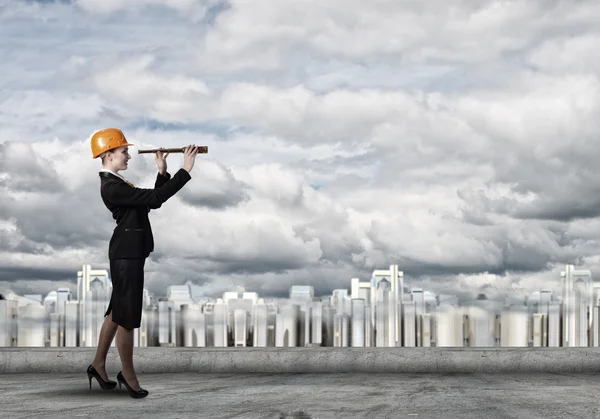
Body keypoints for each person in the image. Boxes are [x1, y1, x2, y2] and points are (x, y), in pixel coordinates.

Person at [86, 128, 200, 398]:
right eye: (123, 151)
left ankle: (98, 365)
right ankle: (128, 375)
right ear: (108, 154)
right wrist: (186, 170)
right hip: (127, 254)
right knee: (127, 318)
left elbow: (151, 203)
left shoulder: (119, 183)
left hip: (128, 252)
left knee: (117, 311)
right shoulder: (112, 186)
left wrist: (162, 172)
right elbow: (156, 198)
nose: (128, 155)